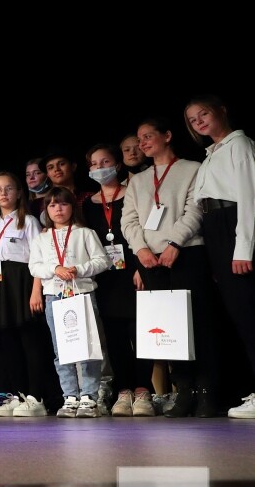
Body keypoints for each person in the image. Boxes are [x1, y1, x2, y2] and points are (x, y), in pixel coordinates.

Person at [121, 116, 218, 417]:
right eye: (139, 139)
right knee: (169, 328)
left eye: (148, 136)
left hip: (186, 253)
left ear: (167, 136)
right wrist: (140, 249)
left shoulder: (192, 168)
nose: (142, 143)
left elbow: (195, 209)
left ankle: (207, 391)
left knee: (198, 322)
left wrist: (175, 243)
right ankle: (183, 390)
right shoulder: (138, 181)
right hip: (150, 259)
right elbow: (129, 221)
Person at [184, 94, 255, 419]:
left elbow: (249, 198)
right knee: (236, 315)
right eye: (192, 119)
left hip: (233, 223)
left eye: (204, 114)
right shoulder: (211, 153)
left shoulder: (239, 145)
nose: (199, 122)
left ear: (221, 111)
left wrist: (243, 247)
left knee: (248, 312)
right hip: (215, 229)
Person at [0, 171, 56, 418]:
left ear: (19, 192)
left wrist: (36, 291)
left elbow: (38, 258)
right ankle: (18, 394)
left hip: (22, 283)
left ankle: (36, 396)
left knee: (29, 340)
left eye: (8, 188)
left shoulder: (28, 221)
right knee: (7, 341)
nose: (3, 193)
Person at [30, 186, 111, 418]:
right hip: (55, 297)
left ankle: (89, 396)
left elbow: (103, 261)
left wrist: (79, 269)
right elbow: (34, 267)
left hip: (82, 294)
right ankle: (70, 396)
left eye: (63, 204)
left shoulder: (84, 233)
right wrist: (55, 268)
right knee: (62, 350)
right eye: (52, 205)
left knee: (87, 347)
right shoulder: (41, 238)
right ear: (46, 210)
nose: (58, 209)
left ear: (72, 207)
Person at [82, 143, 151, 417]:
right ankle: (123, 391)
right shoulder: (87, 205)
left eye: (105, 162)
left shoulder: (133, 193)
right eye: (94, 163)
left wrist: (141, 267)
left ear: (118, 164)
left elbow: (143, 230)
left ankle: (143, 390)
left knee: (140, 332)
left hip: (134, 271)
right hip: (105, 276)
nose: (99, 167)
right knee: (115, 336)